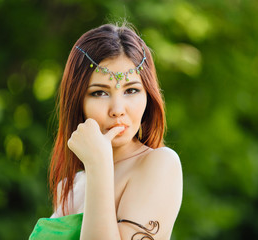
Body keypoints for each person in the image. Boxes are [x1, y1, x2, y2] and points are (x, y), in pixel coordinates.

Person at [29, 23, 183, 240]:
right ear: (78, 102)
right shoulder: (70, 186)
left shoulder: (160, 164)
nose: (118, 110)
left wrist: (99, 165)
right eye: (100, 93)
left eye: (131, 90)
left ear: (148, 96)